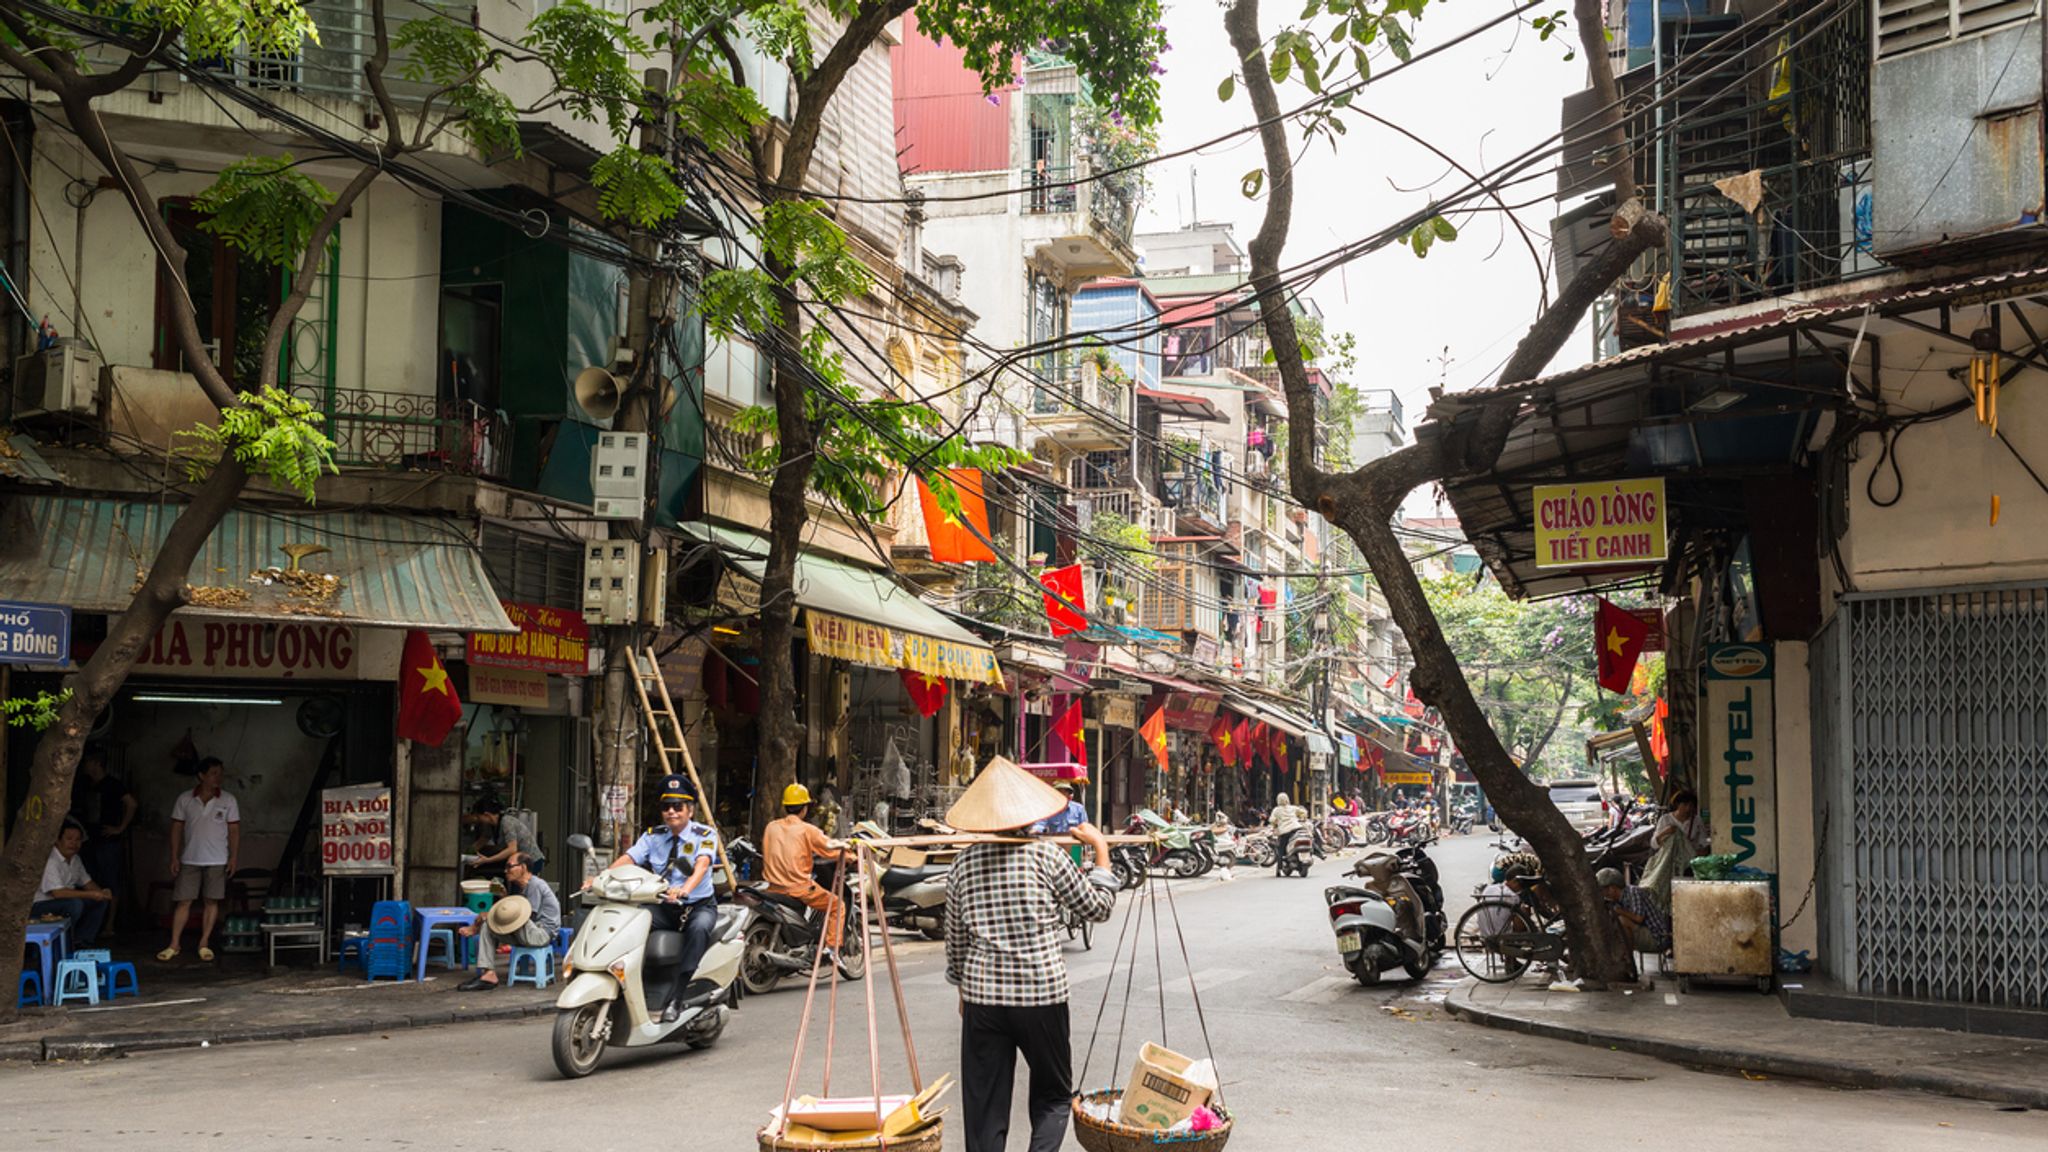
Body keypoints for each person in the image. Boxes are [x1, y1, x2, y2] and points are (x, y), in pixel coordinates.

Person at [945, 757, 1118, 1152]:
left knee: (984, 1105)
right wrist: (1102, 850)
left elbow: (955, 942)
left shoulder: (962, 864)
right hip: (1041, 995)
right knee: (1054, 1097)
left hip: (982, 999)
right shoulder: (1047, 856)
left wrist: (961, 988)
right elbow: (1098, 908)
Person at [606, 775, 718, 1023]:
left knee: (699, 930)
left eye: (678, 806)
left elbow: (702, 865)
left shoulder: (706, 834)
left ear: (690, 810)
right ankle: (628, 988)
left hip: (697, 907)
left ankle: (676, 998)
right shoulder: (652, 836)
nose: (671, 812)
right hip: (665, 907)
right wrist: (601, 877)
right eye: (666, 807)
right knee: (630, 923)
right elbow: (630, 858)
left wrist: (685, 889)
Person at [763, 783, 854, 972]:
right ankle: (831, 948)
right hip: (798, 888)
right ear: (805, 808)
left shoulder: (771, 827)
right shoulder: (807, 830)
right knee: (837, 905)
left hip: (772, 888)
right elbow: (830, 848)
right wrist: (852, 855)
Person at [159, 757, 239, 962]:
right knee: (183, 901)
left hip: (217, 859)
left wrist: (233, 857)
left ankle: (204, 942)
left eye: (220, 773)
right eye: (213, 773)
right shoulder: (185, 799)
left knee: (211, 901)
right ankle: (174, 943)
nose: (218, 778)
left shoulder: (228, 800)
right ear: (201, 775)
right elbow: (176, 828)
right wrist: (174, 856)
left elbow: (234, 830)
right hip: (190, 858)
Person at [458, 852, 560, 990]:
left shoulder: (535, 885)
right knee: (488, 926)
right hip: (528, 932)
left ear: (523, 868)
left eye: (509, 866)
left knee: (491, 917)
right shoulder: (523, 888)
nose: (506, 871)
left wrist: (489, 916)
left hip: (541, 934)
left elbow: (528, 916)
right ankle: (489, 974)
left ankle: (475, 928)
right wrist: (503, 898)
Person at [70, 745, 135, 903]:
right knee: (88, 880)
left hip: (107, 840)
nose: (84, 765)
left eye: (87, 762)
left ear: (96, 763)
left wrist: (120, 828)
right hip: (87, 839)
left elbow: (132, 803)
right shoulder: (84, 784)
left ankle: (109, 924)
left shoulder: (113, 784)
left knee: (110, 882)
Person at [34, 822, 112, 947]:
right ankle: (65, 943)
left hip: (63, 902)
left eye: (78, 840)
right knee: (75, 904)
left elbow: (87, 883)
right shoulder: (51, 860)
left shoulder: (75, 859)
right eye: (69, 839)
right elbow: (58, 893)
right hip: (41, 906)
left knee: (99, 902)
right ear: (57, 841)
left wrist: (101, 893)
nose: (74, 843)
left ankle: (82, 941)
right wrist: (91, 894)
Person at [1598, 867, 1672, 957]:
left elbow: (1639, 918)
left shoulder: (1633, 892)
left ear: (1612, 888)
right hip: (1644, 934)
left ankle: (1628, 957)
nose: (1603, 893)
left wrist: (1619, 911)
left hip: (1657, 938)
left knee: (1621, 920)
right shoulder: (1616, 901)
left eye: (1603, 890)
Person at [466, 797, 545, 878]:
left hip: (531, 861)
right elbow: (484, 839)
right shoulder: (491, 825)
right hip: (518, 860)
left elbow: (512, 849)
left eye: (479, 817)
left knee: (520, 887)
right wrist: (468, 852)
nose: (478, 820)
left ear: (487, 815)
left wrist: (488, 860)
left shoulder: (507, 822)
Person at [1654, 790, 1712, 857]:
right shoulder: (1665, 819)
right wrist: (1664, 832)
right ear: (1677, 804)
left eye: (1691, 805)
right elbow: (1654, 844)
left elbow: (1703, 840)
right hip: (1670, 860)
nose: (1688, 808)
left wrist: (1703, 850)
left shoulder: (1697, 820)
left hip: (1690, 860)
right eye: (1685, 805)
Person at [1269, 791, 1308, 875]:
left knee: (1280, 850)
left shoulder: (1276, 810)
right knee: (1307, 837)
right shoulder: (1293, 808)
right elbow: (1304, 812)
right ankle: (1320, 853)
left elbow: (1272, 820)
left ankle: (1278, 870)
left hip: (1285, 832)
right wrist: (1301, 817)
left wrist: (1275, 823)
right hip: (1297, 828)